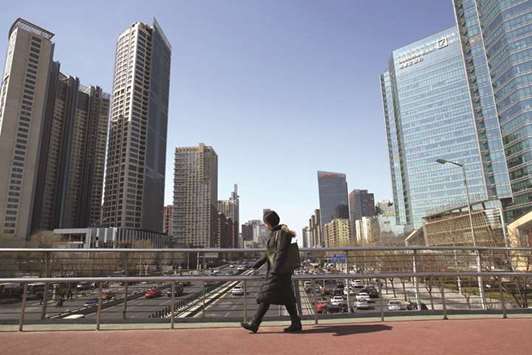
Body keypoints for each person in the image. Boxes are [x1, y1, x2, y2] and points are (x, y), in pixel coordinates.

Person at [241, 210, 302, 333]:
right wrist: (257, 264)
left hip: (278, 271)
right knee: (287, 298)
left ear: (268, 222)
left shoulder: (282, 233)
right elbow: (269, 253)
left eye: (265, 222)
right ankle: (296, 323)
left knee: (266, 296)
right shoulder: (275, 233)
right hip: (280, 271)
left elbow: (281, 252)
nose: (265, 225)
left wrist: (275, 270)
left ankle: (254, 323)